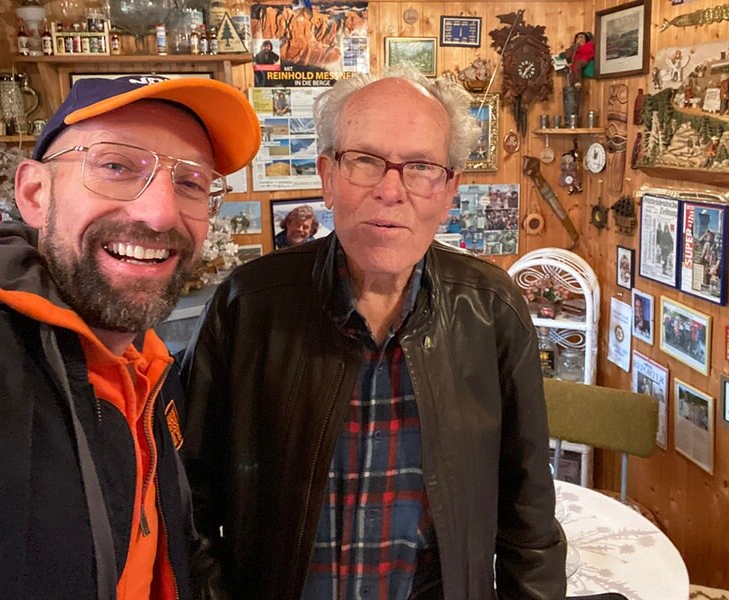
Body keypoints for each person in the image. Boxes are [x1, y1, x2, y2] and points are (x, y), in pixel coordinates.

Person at [0, 76, 260, 597]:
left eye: (191, 183)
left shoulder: (152, 373)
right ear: (34, 192)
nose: (160, 212)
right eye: (116, 166)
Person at [182, 69, 566, 598]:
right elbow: (186, 502)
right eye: (364, 161)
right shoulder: (248, 305)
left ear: (450, 190)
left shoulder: (491, 309)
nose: (390, 190)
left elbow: (529, 518)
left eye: (422, 167)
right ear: (326, 177)